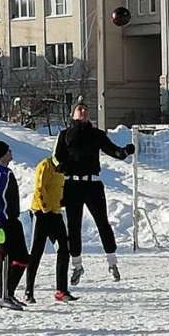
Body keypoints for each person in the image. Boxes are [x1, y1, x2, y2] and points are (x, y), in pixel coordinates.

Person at [53, 102, 134, 284]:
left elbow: (112, 150)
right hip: (72, 185)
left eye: (85, 110)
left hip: (92, 184)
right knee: (73, 226)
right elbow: (57, 156)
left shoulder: (96, 134)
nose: (83, 111)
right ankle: (77, 265)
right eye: (79, 109)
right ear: (72, 114)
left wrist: (124, 152)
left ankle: (112, 262)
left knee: (102, 223)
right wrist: (63, 166)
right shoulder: (65, 135)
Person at [26, 156, 77, 303]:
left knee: (64, 248)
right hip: (42, 213)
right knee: (36, 251)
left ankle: (61, 290)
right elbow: (39, 188)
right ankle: (29, 291)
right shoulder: (45, 165)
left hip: (55, 213)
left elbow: (61, 189)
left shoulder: (63, 168)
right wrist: (46, 209)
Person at [0, 140, 28, 311]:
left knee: (23, 258)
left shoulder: (7, 172)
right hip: (2, 224)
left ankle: (9, 292)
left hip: (13, 221)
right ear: (3, 153)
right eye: (9, 150)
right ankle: (3, 295)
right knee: (4, 259)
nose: (11, 153)